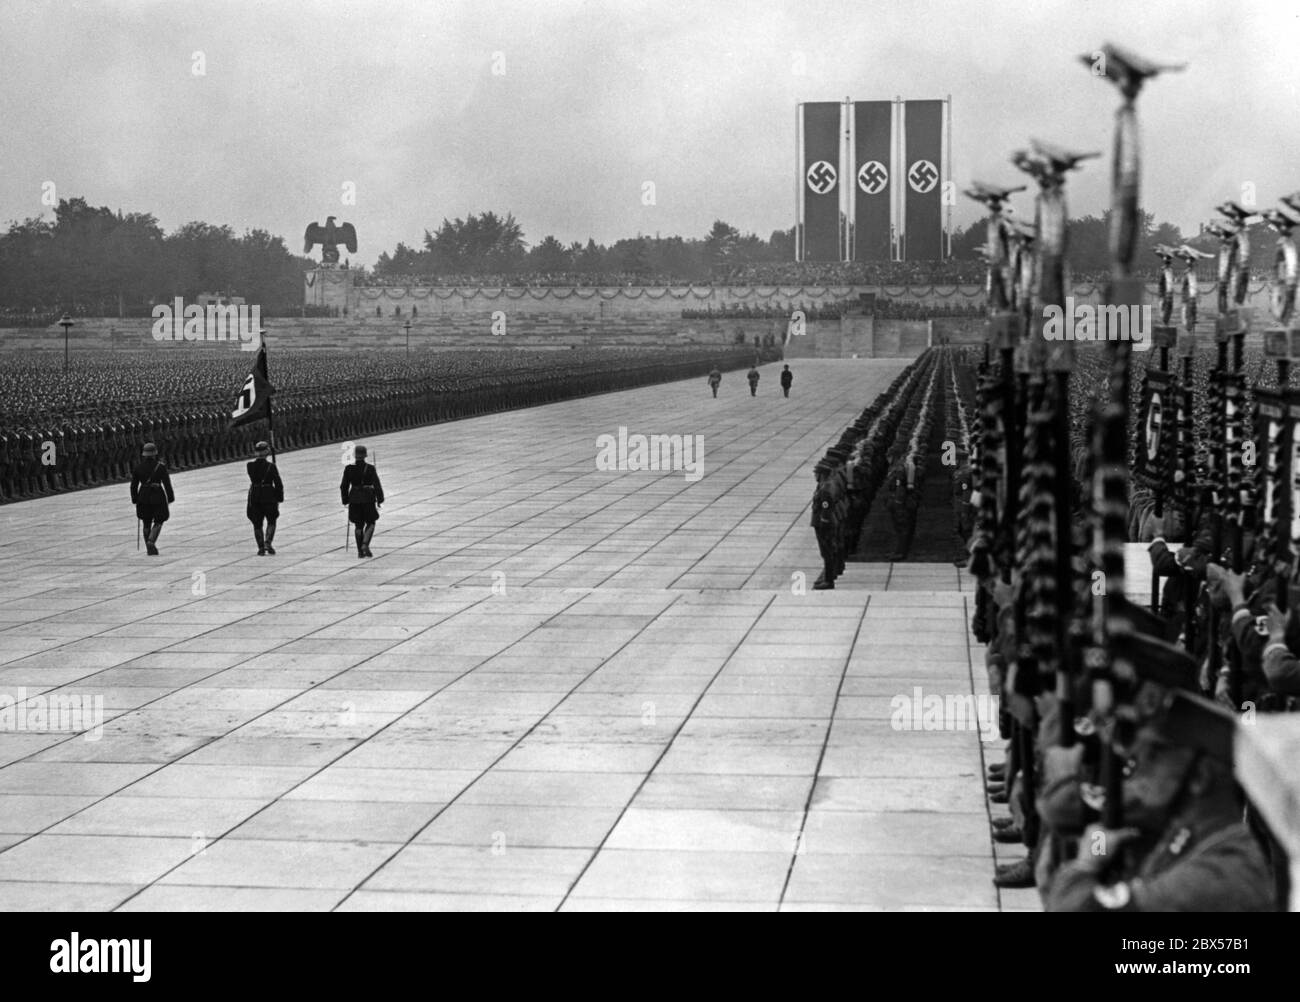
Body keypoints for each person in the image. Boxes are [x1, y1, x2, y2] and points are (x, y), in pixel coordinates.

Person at [130, 442, 174, 556]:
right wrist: (170, 497)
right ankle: (151, 541)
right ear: (155, 454)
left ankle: (149, 548)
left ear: (144, 454)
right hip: (157, 495)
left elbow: (133, 485)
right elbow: (167, 484)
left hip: (143, 496)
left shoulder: (138, 467)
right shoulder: (160, 466)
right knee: (159, 520)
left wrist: (135, 499)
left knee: (146, 521)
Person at [340, 444, 384, 558]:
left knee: (358, 525)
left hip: (354, 498)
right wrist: (380, 499)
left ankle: (360, 551)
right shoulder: (370, 468)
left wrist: (345, 500)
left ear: (355, 456)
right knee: (371, 522)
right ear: (365, 456)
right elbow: (377, 485)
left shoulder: (349, 468)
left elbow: (344, 486)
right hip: (368, 497)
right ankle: (365, 544)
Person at [246, 441, 284, 556]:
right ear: (267, 452)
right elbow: (278, 483)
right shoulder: (271, 466)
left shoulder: (250, 466)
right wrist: (279, 498)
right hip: (268, 496)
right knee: (271, 521)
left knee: (257, 524)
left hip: (255, 496)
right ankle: (268, 542)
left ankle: (261, 547)